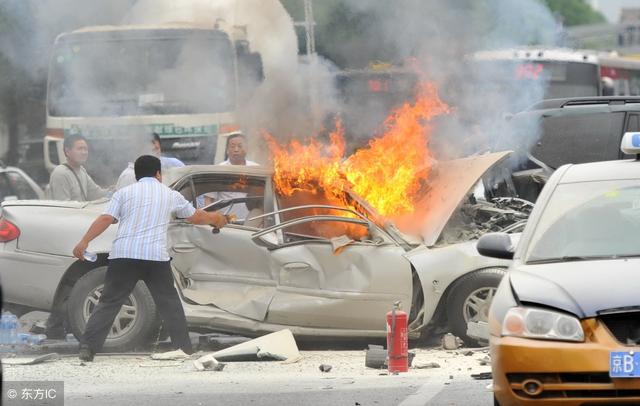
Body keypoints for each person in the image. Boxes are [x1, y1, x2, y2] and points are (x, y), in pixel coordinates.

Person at [72, 155, 227, 362]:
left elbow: (106, 218)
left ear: (137, 175)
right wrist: (216, 219)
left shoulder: (124, 193)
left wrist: (84, 241)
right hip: (155, 257)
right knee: (169, 303)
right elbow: (196, 216)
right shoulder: (169, 194)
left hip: (124, 255)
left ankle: (87, 349)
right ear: (158, 174)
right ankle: (183, 348)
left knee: (109, 302)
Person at [203, 133, 259, 219]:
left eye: (240, 146)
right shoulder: (218, 170)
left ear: (247, 149)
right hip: (226, 225)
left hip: (253, 225)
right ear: (227, 150)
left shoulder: (256, 169)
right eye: (232, 146)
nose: (236, 150)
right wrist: (214, 220)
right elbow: (208, 200)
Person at [47, 133, 110, 201]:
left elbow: (95, 193)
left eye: (85, 149)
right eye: (80, 149)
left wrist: (113, 191)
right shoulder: (60, 173)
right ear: (67, 151)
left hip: (80, 211)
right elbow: (63, 206)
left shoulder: (81, 170)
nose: (84, 152)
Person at [116, 133, 185, 190]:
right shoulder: (128, 175)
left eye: (157, 149)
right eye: (151, 150)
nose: (155, 153)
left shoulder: (174, 164)